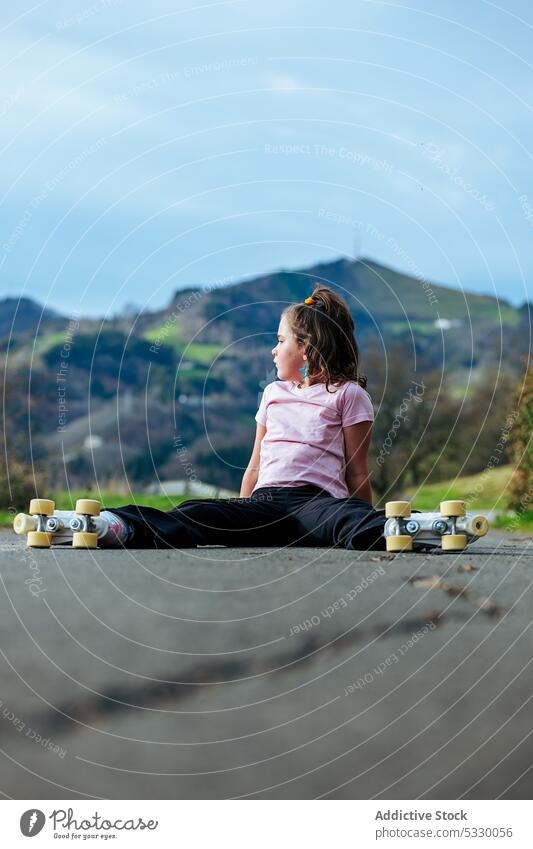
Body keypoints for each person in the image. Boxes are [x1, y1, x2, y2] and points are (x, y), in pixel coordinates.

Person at [31, 285, 389, 550]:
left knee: (352, 519)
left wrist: (362, 517)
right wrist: (244, 508)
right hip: (265, 505)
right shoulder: (273, 395)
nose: (273, 349)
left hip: (318, 505)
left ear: (307, 349)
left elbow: (356, 471)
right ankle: (115, 525)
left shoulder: (348, 396)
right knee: (196, 512)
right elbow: (254, 464)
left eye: (281, 341)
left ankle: (405, 530)